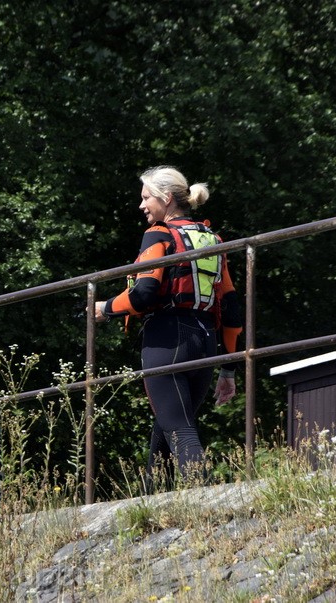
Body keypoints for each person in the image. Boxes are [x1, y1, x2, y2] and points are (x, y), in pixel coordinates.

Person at [95, 166, 242, 488]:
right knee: (168, 423)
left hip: (167, 338)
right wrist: (229, 370)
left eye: (146, 198)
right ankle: (150, 499)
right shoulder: (212, 240)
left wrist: (105, 308)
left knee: (179, 428)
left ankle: (207, 501)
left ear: (165, 198)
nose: (142, 205)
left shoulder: (159, 234)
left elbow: (144, 293)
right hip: (204, 341)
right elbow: (231, 307)